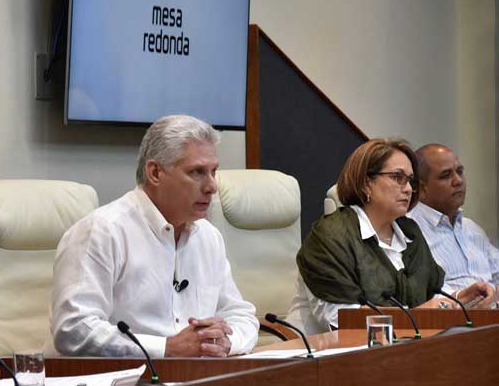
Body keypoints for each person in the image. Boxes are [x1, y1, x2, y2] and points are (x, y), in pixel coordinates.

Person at [50, 115, 259, 358]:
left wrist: (226, 342)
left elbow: (240, 315)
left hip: (199, 372)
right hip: (127, 374)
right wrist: (166, 348)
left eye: (213, 171)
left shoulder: (208, 237)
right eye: (197, 172)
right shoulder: (102, 231)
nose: (212, 186)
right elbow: (74, 329)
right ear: (155, 173)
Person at [286, 139, 492, 334]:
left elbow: (431, 295)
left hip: (403, 346)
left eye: (410, 180)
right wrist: (417, 316)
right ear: (366, 183)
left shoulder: (409, 232)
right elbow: (340, 319)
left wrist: (459, 299)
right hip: (321, 352)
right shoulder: (330, 235)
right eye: (397, 177)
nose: (409, 189)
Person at [408, 144, 499, 304]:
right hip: (448, 316)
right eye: (445, 175)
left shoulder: (472, 228)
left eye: (460, 172)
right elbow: (417, 294)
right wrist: (463, 298)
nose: (458, 181)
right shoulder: (408, 230)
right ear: (422, 188)